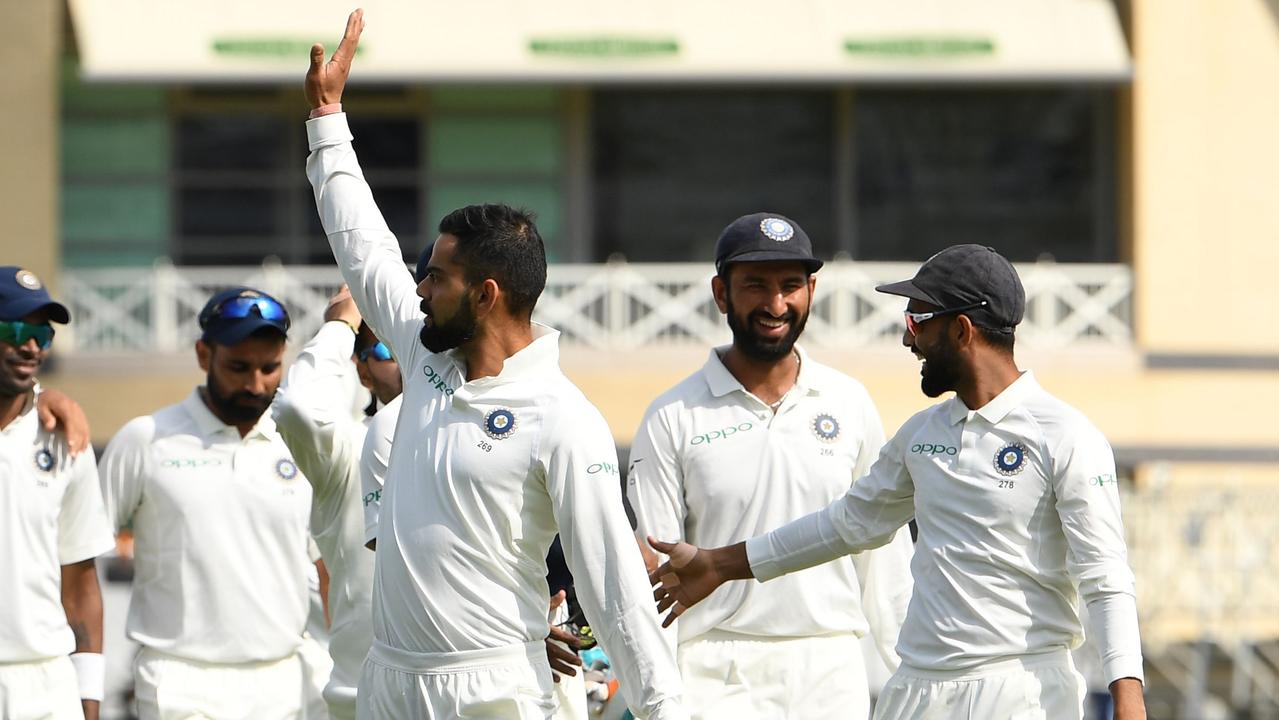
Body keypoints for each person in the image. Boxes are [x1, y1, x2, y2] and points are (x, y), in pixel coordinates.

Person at [305, 11, 685, 719]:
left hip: (493, 690)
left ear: (485, 295)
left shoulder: (562, 418)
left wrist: (663, 709)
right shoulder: (426, 355)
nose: (418, 287)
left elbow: (612, 582)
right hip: (390, 682)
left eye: (437, 278)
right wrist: (328, 119)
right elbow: (364, 250)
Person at [649, 244, 1147, 720]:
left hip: (1021, 688)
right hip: (918, 689)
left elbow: (1105, 581)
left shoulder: (1066, 435)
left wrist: (1129, 700)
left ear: (962, 330)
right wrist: (720, 563)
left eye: (916, 321)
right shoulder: (920, 435)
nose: (908, 340)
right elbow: (846, 525)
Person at [627, 214, 914, 719]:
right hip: (714, 671)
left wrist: (910, 678)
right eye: (755, 285)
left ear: (812, 290)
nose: (775, 305)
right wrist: (657, 697)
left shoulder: (849, 402)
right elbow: (656, 575)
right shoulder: (672, 414)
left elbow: (885, 562)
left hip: (831, 667)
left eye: (790, 286)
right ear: (721, 293)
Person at [99, 287, 320, 719]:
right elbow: (79, 552)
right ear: (204, 355)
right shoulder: (145, 438)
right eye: (238, 367)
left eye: (270, 368)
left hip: (284, 682)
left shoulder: (302, 443)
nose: (255, 384)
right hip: (178, 681)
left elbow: (327, 566)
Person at [274, 285, 400, 720]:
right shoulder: (347, 448)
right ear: (362, 371)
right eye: (386, 346)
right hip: (362, 700)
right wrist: (340, 325)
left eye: (414, 340)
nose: (405, 358)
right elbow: (298, 408)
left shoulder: (478, 439)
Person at [0, 267, 114, 720]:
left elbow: (81, 578)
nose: (31, 347)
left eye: (42, 335)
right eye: (16, 329)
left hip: (46, 683)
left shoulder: (66, 440)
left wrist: (88, 703)